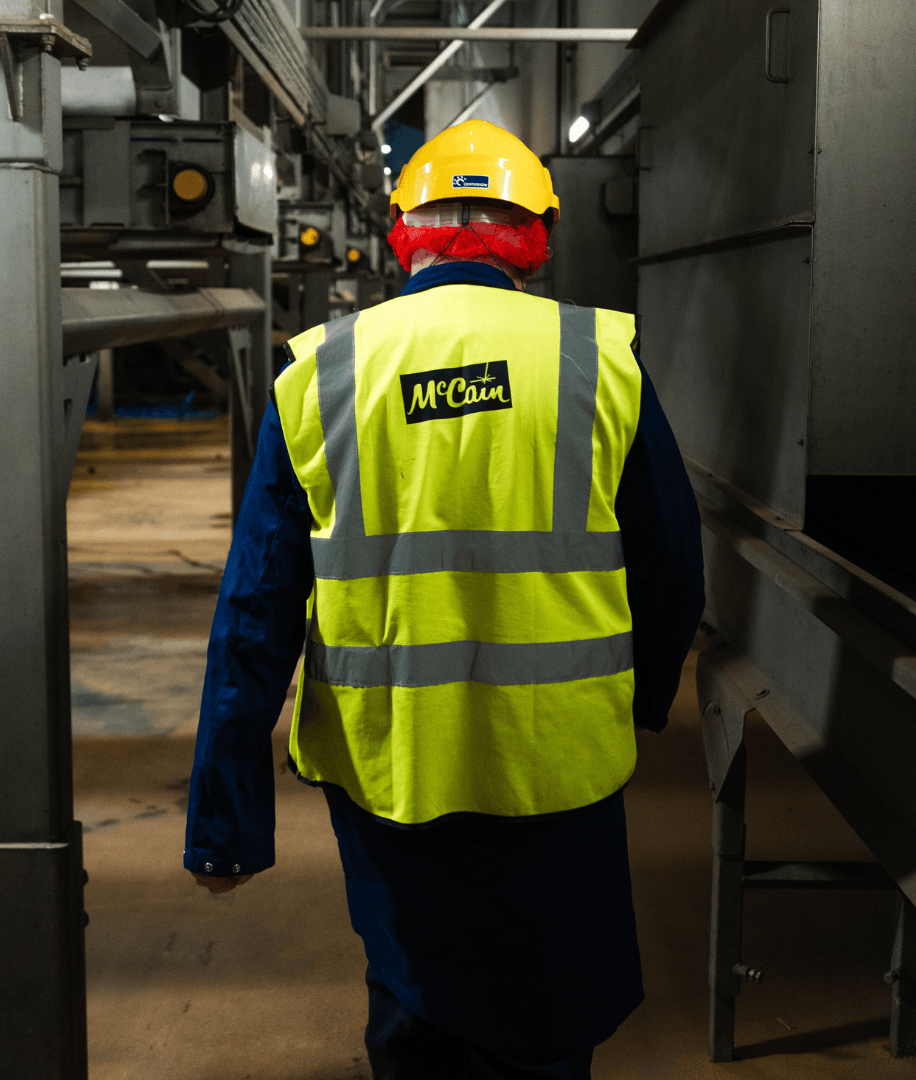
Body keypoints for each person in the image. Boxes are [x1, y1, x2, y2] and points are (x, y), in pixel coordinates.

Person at [184, 119, 704, 1079]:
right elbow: (672, 567)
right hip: (557, 759)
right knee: (550, 1005)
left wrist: (226, 818)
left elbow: (256, 606)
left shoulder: (323, 370)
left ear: (403, 233)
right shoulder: (597, 358)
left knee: (416, 996)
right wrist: (641, 701)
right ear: (534, 237)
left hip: (393, 765)